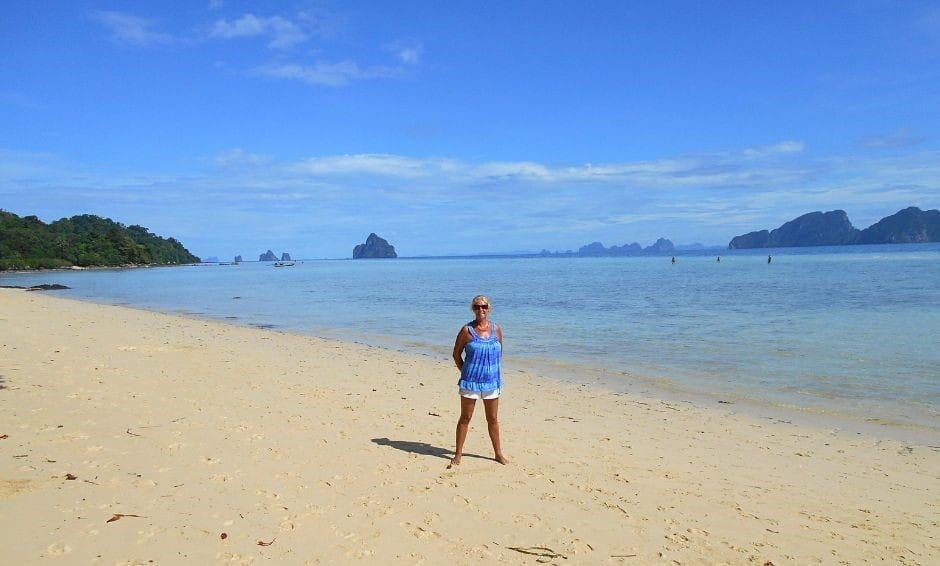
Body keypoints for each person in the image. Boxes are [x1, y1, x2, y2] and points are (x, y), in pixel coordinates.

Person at [449, 294, 507, 468]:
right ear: (472, 309)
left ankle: (498, 454)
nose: (480, 309)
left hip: (492, 382)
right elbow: (456, 354)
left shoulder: (496, 329)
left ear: (489, 308)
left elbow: (499, 353)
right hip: (470, 383)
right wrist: (466, 372)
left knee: (493, 419)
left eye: (483, 306)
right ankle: (458, 454)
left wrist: (491, 372)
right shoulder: (466, 331)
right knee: (465, 418)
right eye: (476, 307)